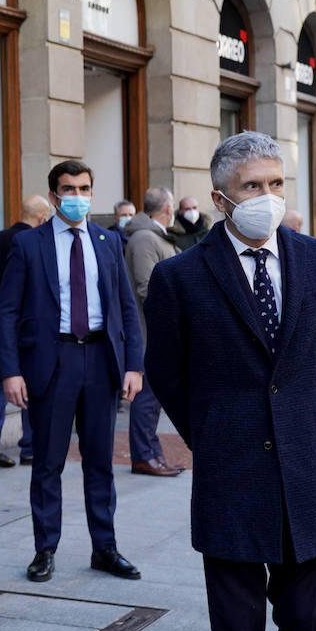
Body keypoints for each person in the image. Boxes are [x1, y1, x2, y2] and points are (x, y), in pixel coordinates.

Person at [145, 131, 316, 631]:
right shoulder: (179, 276)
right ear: (220, 198)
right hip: (232, 479)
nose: (266, 197)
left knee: (303, 627)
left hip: (313, 477)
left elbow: (315, 355)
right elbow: (168, 373)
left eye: (275, 184)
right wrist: (215, 436)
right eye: (251, 188)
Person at [0, 159, 145, 583]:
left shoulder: (109, 241)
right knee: (47, 463)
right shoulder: (28, 245)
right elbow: (5, 313)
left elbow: (126, 309)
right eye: (68, 189)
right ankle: (45, 549)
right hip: (51, 363)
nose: (77, 196)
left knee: (100, 462)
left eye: (84, 188)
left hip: (100, 361)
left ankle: (105, 547)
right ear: (55, 194)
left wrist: (134, 364)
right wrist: (10, 371)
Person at [0, 195, 51, 467]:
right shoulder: (31, 243)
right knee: (19, 381)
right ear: (42, 217)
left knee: (7, 381)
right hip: (22, 328)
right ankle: (18, 443)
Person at [123, 187, 185, 477]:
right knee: (146, 398)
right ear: (168, 208)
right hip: (148, 333)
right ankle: (143, 456)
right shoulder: (145, 238)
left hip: (159, 332)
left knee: (153, 399)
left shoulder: (156, 236)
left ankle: (152, 453)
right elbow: (147, 288)